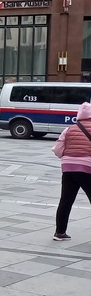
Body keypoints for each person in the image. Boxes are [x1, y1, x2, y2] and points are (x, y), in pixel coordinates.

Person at [52, 102, 91, 241]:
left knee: (66, 200)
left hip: (68, 167)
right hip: (87, 168)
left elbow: (57, 150)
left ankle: (59, 232)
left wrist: (69, 156)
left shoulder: (69, 129)